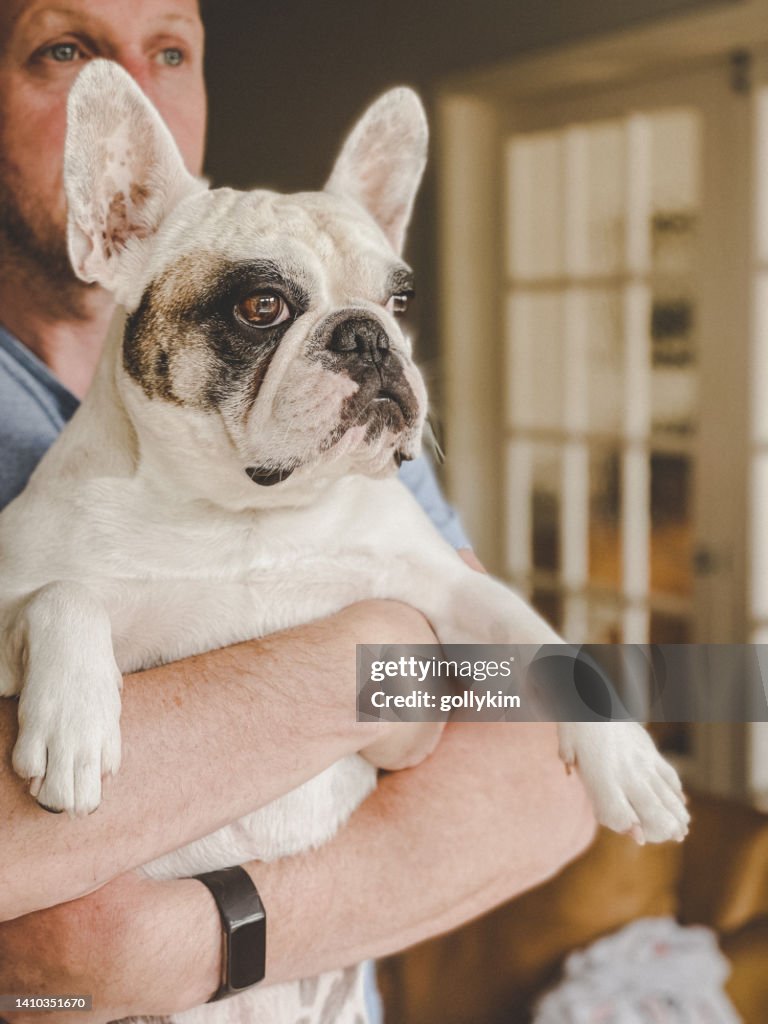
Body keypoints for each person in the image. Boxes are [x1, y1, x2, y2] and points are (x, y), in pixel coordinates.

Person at [0, 0, 596, 1021]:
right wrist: (382, 667)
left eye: (172, 51)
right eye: (66, 50)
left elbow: (547, 770)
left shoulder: (329, 413)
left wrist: (199, 938)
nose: (135, 94)